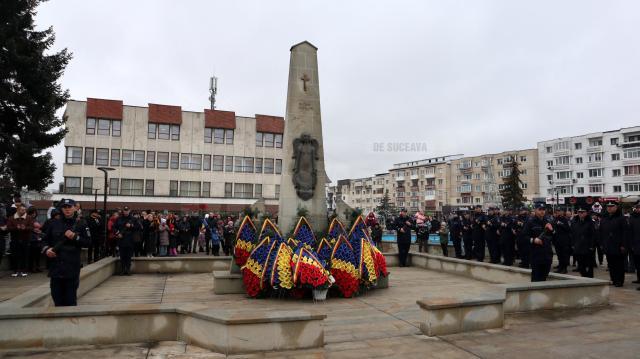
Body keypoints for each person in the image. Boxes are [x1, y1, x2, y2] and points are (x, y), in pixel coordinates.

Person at [43, 199, 90, 306]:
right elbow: (44, 240)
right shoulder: (53, 223)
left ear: (75, 208)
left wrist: (75, 237)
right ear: (61, 209)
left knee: (70, 300)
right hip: (56, 266)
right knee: (56, 298)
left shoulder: (81, 223)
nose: (67, 209)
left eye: (70, 207)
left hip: (71, 267)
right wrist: (47, 250)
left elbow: (88, 242)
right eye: (65, 207)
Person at [600, 200, 628, 287]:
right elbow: (601, 232)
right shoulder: (604, 218)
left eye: (612, 206)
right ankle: (613, 279)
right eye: (608, 207)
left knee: (619, 264)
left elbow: (625, 232)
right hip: (608, 245)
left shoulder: (621, 218)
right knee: (611, 264)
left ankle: (619, 280)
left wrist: (623, 245)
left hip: (618, 245)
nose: (609, 208)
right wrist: (602, 243)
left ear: (616, 207)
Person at [523, 203, 554, 282]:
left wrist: (552, 230)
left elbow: (554, 235)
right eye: (540, 209)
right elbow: (524, 237)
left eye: (543, 209)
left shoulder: (548, 221)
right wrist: (533, 240)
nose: (542, 211)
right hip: (536, 253)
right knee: (536, 277)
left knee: (544, 277)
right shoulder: (530, 222)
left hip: (547, 253)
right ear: (535, 210)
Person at [7, 204, 33, 277]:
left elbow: (31, 227)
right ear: (18, 210)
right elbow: (8, 228)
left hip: (25, 239)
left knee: (24, 255)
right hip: (15, 239)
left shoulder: (29, 217)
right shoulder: (11, 218)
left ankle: (23, 270)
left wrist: (25, 228)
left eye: (24, 210)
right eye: (22, 210)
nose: (23, 211)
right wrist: (16, 227)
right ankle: (15, 270)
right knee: (15, 255)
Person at [114, 206, 141, 275]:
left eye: (127, 210)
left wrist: (131, 226)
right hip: (121, 239)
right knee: (122, 255)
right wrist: (118, 233)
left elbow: (138, 227)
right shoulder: (119, 219)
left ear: (129, 211)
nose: (126, 212)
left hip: (130, 239)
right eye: (125, 210)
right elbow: (114, 227)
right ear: (123, 211)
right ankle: (122, 270)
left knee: (129, 256)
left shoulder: (133, 219)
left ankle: (128, 270)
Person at [571, 207, 596, 278]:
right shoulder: (575, 221)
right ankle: (585, 276)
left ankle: (590, 278)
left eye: (582, 212)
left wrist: (592, 245)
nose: (581, 213)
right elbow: (572, 234)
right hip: (578, 246)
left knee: (589, 265)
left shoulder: (590, 222)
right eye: (579, 212)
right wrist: (573, 244)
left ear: (586, 213)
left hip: (587, 246)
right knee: (581, 265)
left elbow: (593, 234)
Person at [552, 207, 572, 274]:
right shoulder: (555, 219)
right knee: (559, 255)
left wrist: (561, 224)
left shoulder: (565, 219)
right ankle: (560, 268)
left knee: (564, 255)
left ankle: (564, 268)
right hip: (557, 240)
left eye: (559, 211)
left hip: (564, 240)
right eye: (557, 211)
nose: (558, 212)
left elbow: (568, 229)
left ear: (563, 212)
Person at [26, 207, 43, 273]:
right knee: (32, 255)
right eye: (32, 213)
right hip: (31, 238)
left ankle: (37, 267)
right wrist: (33, 229)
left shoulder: (35, 219)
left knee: (37, 254)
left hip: (37, 238)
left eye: (34, 213)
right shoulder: (28, 219)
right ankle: (32, 267)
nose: (34, 214)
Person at [628, 201, 640, 288]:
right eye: (637, 207)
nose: (638, 209)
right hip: (635, 244)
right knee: (637, 264)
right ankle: (639, 279)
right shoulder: (632, 217)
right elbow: (630, 231)